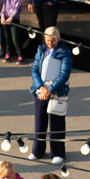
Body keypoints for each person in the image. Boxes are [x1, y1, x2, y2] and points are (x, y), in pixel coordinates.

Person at [27, 25, 72, 161]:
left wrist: (50, 89)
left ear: (57, 39)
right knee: (40, 121)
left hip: (57, 91)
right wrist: (41, 87)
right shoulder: (41, 50)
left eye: (52, 41)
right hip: (41, 90)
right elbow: (34, 69)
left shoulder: (64, 52)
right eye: (47, 40)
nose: (50, 43)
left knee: (56, 123)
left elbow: (64, 74)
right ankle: (37, 151)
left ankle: (58, 153)